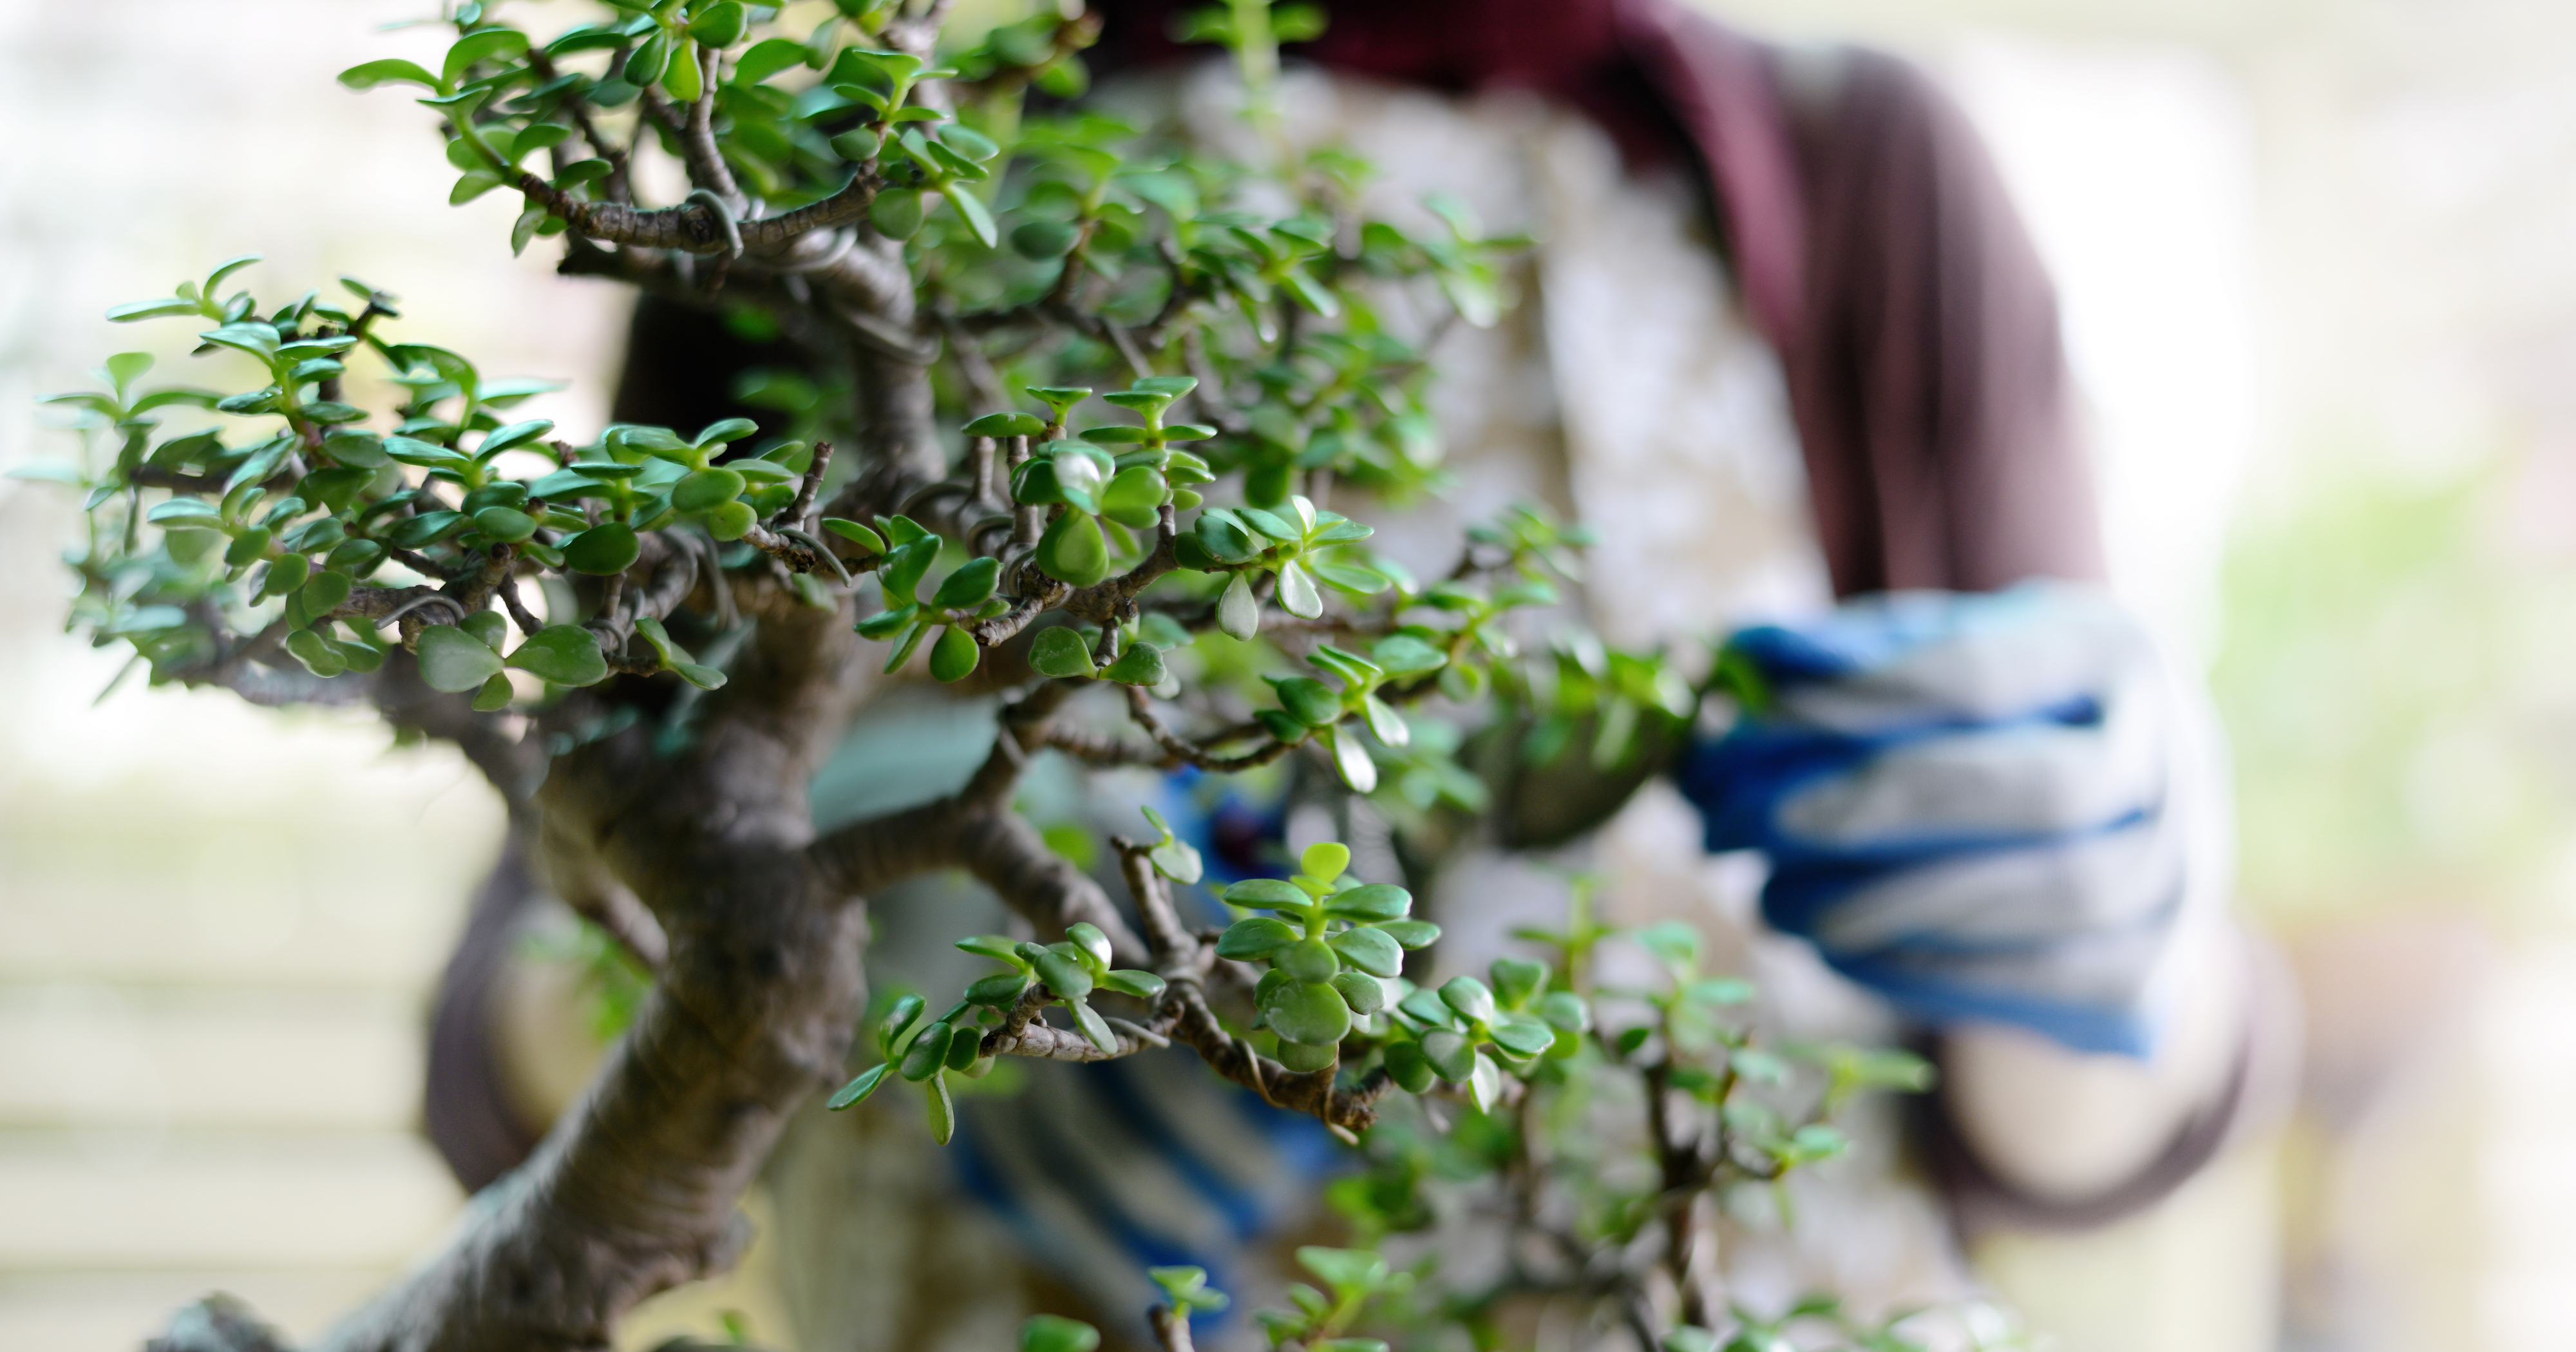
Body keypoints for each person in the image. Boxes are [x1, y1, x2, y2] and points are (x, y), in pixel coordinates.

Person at [427, 1, 2288, 1346]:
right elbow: (507, 1055)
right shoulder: (800, 206)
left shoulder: (1849, 169)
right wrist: (815, 928)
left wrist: (2125, 947)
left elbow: (2083, 1129)